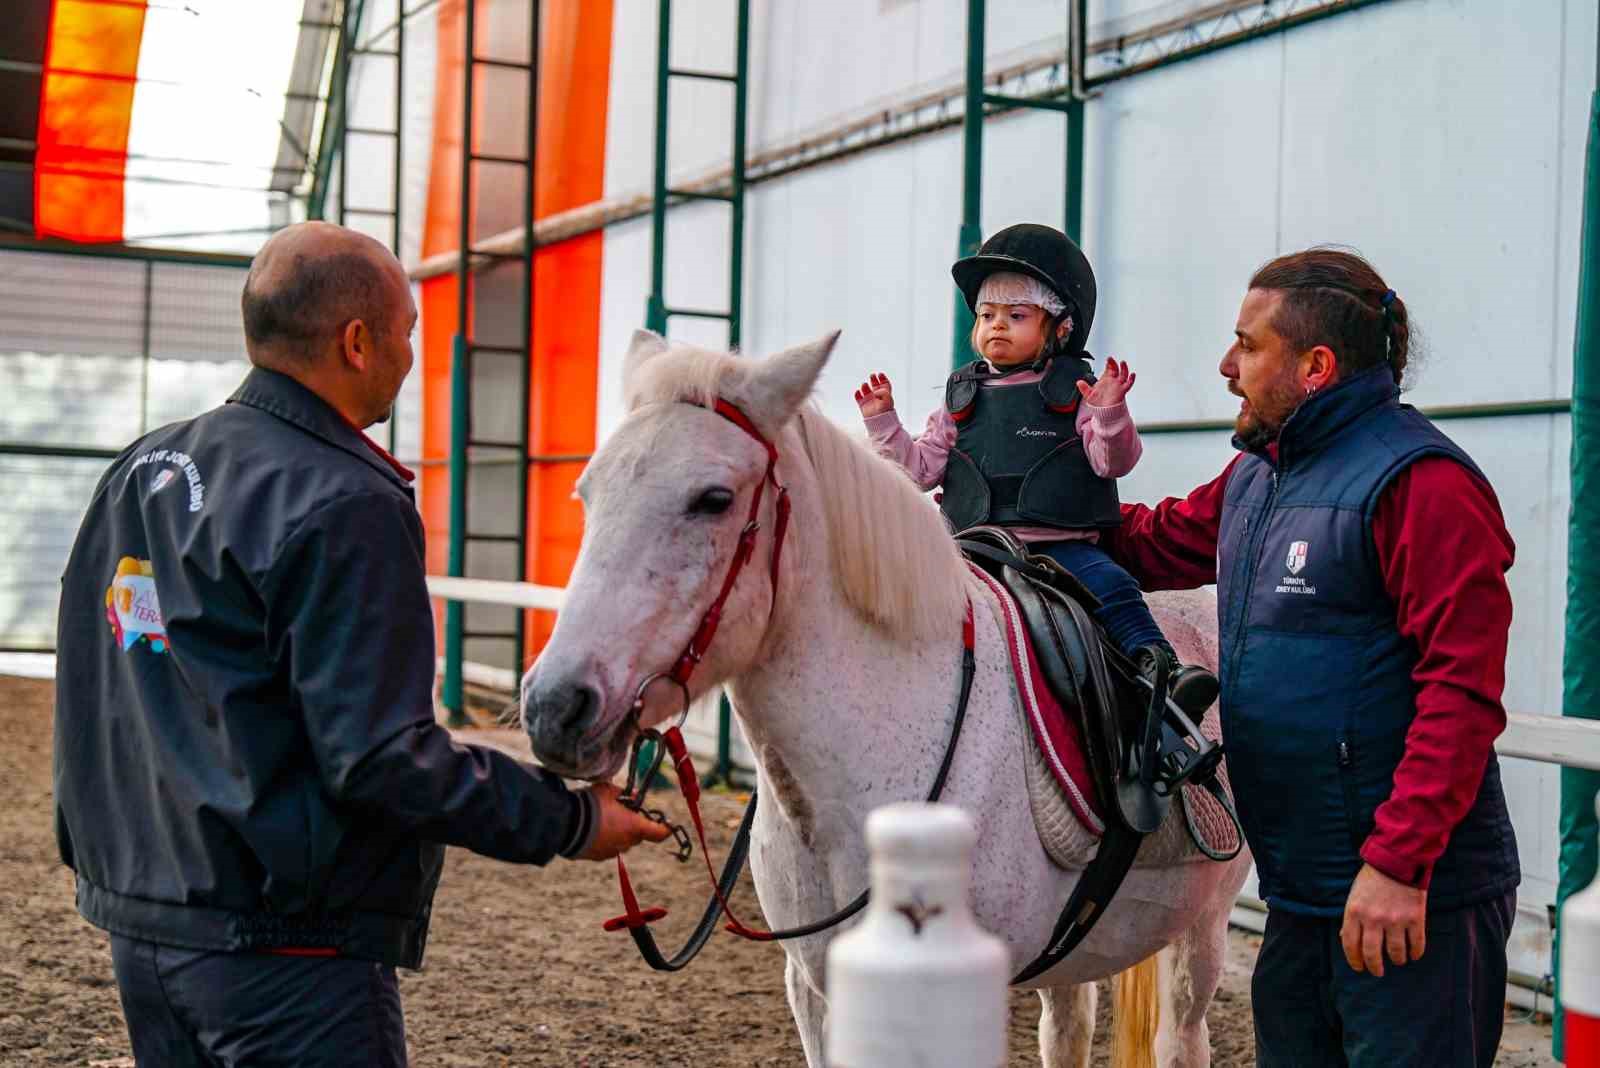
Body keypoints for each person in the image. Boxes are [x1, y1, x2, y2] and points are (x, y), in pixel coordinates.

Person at [53, 221, 668, 1067]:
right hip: (286, 953)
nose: (410, 355)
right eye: (408, 332)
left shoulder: (139, 469)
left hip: (142, 927)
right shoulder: (345, 498)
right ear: (355, 341)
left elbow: (102, 682)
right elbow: (381, 759)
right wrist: (567, 818)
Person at [1107, 247, 1520, 1066]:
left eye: (1247, 347)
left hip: (1410, 900)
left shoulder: (1422, 484)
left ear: (1315, 366)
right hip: (1301, 892)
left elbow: (1461, 696)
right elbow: (1153, 542)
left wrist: (1399, 866)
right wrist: (1024, 510)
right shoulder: (1258, 478)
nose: (1226, 367)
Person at [852, 222, 1219, 723]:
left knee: (1112, 584)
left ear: (1061, 327)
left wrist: (1110, 413)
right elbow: (916, 471)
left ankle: (1163, 672)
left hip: (1061, 548)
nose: (996, 326)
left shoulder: (1078, 392)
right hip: (970, 548)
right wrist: (884, 423)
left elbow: (1113, 462)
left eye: (1016, 315)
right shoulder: (960, 397)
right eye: (986, 314)